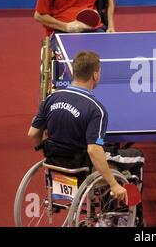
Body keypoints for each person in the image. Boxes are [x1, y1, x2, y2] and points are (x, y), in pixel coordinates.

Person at [27, 50, 145, 225]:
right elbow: (93, 149)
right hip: (82, 169)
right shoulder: (95, 109)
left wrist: (51, 152)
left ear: (74, 72)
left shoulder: (51, 99)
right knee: (136, 156)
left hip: (55, 166)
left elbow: (33, 134)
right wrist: (113, 184)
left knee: (104, 155)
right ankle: (129, 219)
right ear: (95, 75)